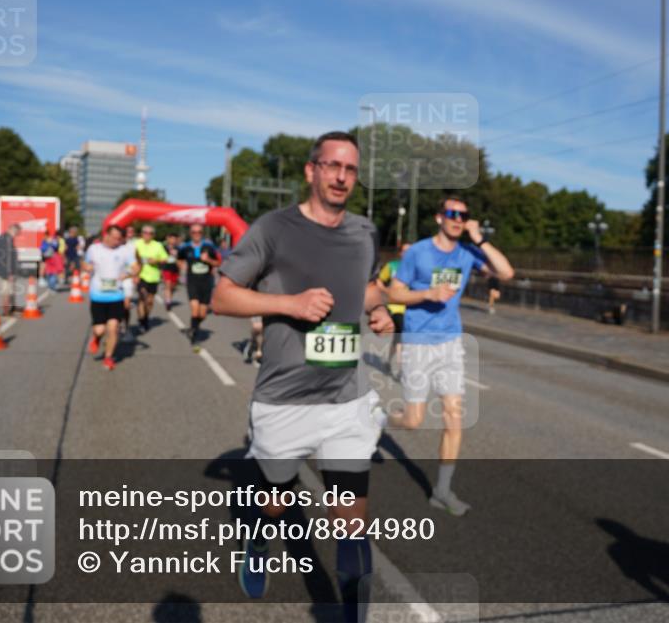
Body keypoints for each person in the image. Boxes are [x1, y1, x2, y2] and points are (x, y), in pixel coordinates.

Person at [211, 131, 392, 620]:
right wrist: (288, 304)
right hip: (284, 400)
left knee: (352, 521)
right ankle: (258, 537)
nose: (341, 177)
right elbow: (223, 296)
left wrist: (382, 309)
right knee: (274, 504)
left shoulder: (363, 232)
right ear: (311, 170)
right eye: (332, 166)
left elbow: (368, 286)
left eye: (350, 169)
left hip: (347, 399)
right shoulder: (273, 228)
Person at [385, 197, 514, 516]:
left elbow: (506, 273)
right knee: (413, 421)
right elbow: (394, 292)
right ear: (439, 217)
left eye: (464, 215)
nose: (459, 219)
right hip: (417, 342)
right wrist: (427, 294)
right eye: (453, 214)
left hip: (450, 342)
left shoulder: (468, 252)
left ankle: (442, 490)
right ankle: (381, 419)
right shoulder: (418, 252)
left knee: (453, 417)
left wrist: (480, 239)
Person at [84, 224, 138, 371]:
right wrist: (87, 267)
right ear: (106, 235)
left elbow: (136, 267)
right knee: (100, 330)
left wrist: (128, 274)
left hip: (116, 296)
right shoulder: (94, 249)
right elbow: (85, 263)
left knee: (113, 328)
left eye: (119, 239)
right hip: (98, 296)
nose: (116, 241)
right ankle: (96, 338)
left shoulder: (124, 251)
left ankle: (108, 358)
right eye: (114, 238)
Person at [178, 224, 220, 348]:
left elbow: (218, 262)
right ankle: (194, 336)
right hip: (193, 282)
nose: (197, 234)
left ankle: (193, 326)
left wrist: (209, 261)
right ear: (190, 234)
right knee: (195, 311)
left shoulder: (209, 247)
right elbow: (179, 259)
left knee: (202, 314)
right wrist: (182, 266)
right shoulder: (185, 247)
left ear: (202, 234)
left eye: (199, 232)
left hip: (207, 282)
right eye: (194, 232)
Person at [376, 242, 411, 372]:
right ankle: (403, 368)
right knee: (402, 336)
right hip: (395, 308)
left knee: (398, 338)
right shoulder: (392, 266)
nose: (408, 254)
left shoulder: (416, 267)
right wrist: (388, 291)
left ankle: (388, 361)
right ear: (400, 253)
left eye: (410, 251)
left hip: (411, 308)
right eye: (405, 251)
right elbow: (379, 281)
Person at [134, 225, 168, 333]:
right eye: (145, 232)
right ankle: (141, 320)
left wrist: (156, 261)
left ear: (153, 235)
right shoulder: (136, 243)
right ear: (141, 233)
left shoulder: (158, 245)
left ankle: (145, 318)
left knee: (149, 301)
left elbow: (165, 259)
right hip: (141, 275)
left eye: (150, 233)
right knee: (142, 297)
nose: (147, 235)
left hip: (153, 277)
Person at [0, 223, 20, 316]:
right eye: (17, 232)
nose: (17, 234)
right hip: (6, 271)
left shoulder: (4, 238)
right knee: (6, 291)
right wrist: (9, 273)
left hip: (4, 270)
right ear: (12, 230)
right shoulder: (7, 239)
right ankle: (6, 311)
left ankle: (12, 308)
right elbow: (7, 258)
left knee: (10, 290)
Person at [120, 225, 138, 340]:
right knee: (115, 305)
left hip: (127, 278)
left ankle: (126, 328)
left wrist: (135, 274)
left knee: (126, 305)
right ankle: (114, 328)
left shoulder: (133, 246)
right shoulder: (112, 246)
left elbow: (138, 262)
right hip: (113, 280)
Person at [161, 232, 181, 312]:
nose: (173, 240)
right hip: (166, 268)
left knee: (172, 287)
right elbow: (161, 258)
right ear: (168, 239)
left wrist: (176, 256)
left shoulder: (178, 249)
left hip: (175, 269)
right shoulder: (164, 248)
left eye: (174, 239)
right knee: (168, 285)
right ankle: (168, 302)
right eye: (171, 238)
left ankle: (169, 299)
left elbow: (180, 260)